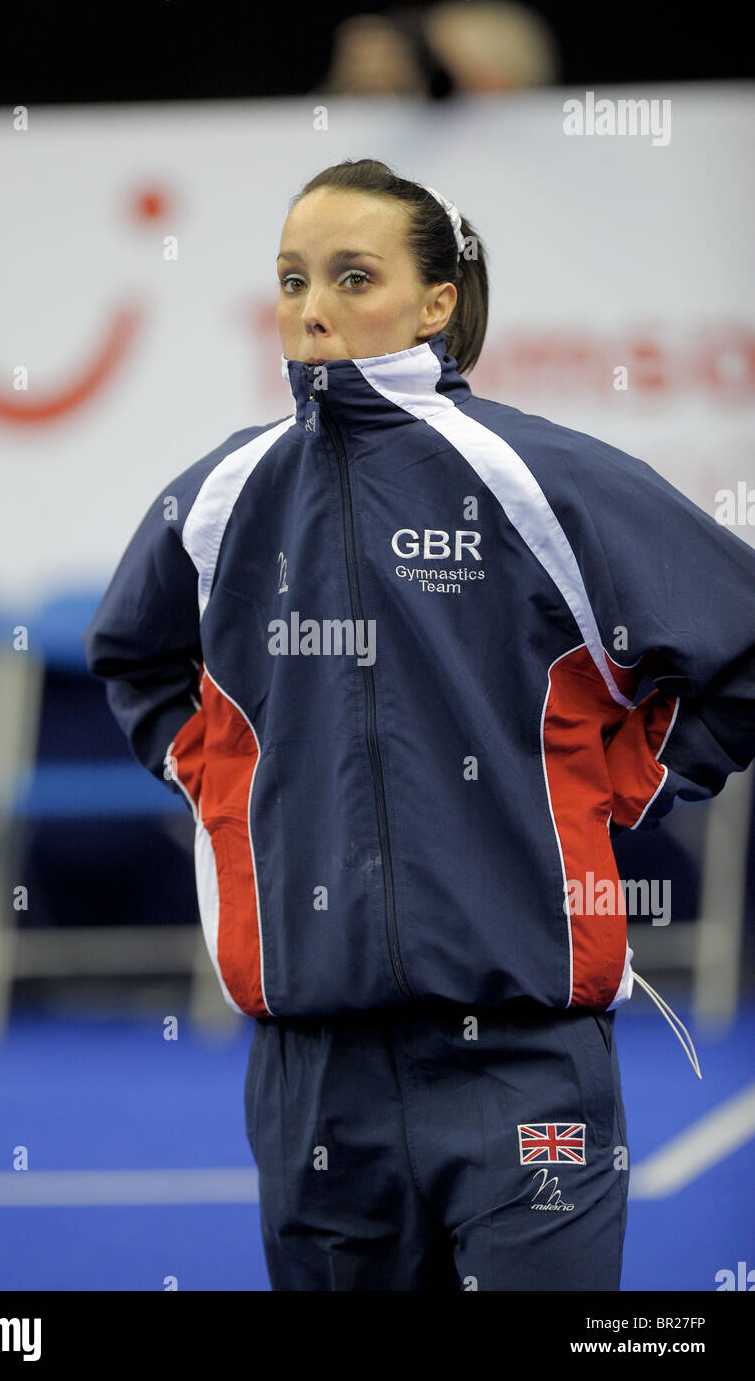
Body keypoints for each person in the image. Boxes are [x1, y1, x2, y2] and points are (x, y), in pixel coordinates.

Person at [82, 157, 755, 1291]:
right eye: (293, 278)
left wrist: (620, 784)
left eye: (353, 277)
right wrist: (225, 782)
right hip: (311, 1076)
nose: (312, 307)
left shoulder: (541, 480)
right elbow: (134, 657)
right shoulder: (219, 497)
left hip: (526, 1060)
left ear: (437, 303)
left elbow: (737, 642)